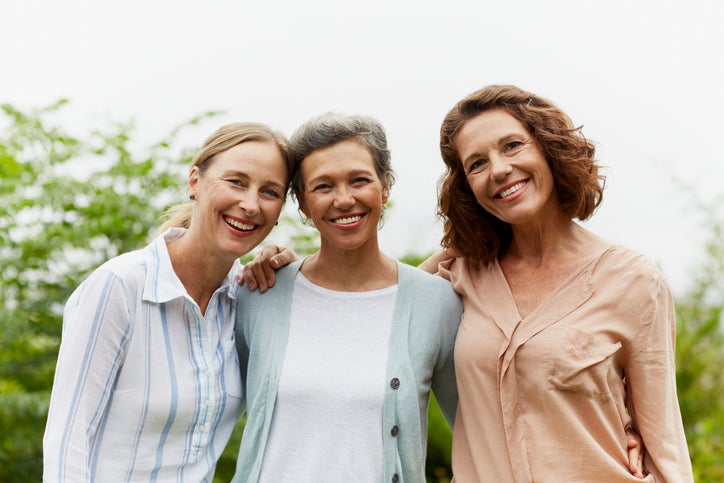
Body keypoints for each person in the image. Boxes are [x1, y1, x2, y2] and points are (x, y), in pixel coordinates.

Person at [417, 84, 692, 481]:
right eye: (476, 164)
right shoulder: (463, 274)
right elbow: (380, 304)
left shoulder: (633, 280)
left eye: (512, 146)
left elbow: (665, 441)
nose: (497, 169)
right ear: (467, 187)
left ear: (549, 148)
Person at [43, 122, 293, 482]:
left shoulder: (246, 300)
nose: (250, 204)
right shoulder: (121, 286)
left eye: (270, 192)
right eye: (236, 182)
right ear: (195, 181)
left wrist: (291, 278)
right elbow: (67, 440)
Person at [232, 113, 463, 482]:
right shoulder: (260, 293)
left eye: (359, 180)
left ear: (384, 186)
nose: (344, 199)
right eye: (323, 186)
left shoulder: (437, 304)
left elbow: (478, 436)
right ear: (302, 203)